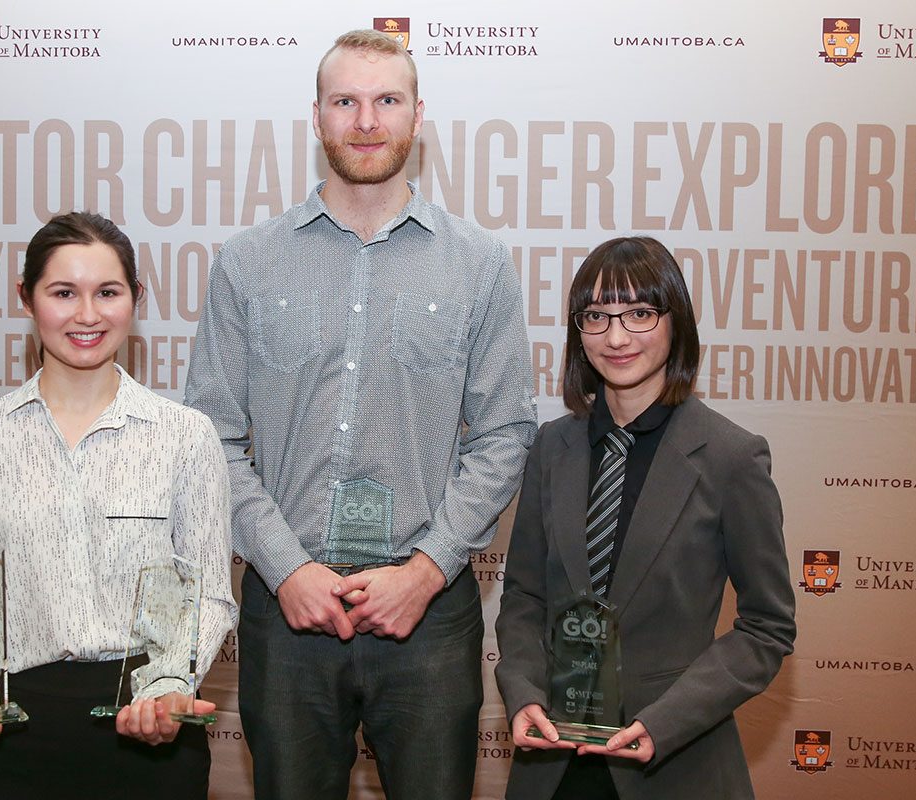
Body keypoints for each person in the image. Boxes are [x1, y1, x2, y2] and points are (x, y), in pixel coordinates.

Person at [184, 29, 537, 800]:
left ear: (418, 117)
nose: (367, 120)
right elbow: (212, 435)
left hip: (429, 615)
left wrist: (427, 569)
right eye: (346, 101)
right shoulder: (248, 263)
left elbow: (507, 433)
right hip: (288, 612)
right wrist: (287, 568)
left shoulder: (479, 264)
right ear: (316, 117)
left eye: (387, 101)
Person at [0, 212, 237, 799]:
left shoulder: (186, 437)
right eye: (63, 293)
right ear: (26, 300)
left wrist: (164, 686)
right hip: (14, 736)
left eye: (107, 292)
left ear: (135, 299)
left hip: (151, 728)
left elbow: (207, 592)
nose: (87, 315)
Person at [494, 236, 796, 800]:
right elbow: (525, 598)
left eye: (639, 313)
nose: (615, 336)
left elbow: (766, 627)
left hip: (674, 761)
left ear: (674, 321)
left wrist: (667, 721)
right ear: (577, 332)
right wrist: (525, 693)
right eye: (597, 316)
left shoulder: (732, 457)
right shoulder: (551, 448)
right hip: (554, 761)